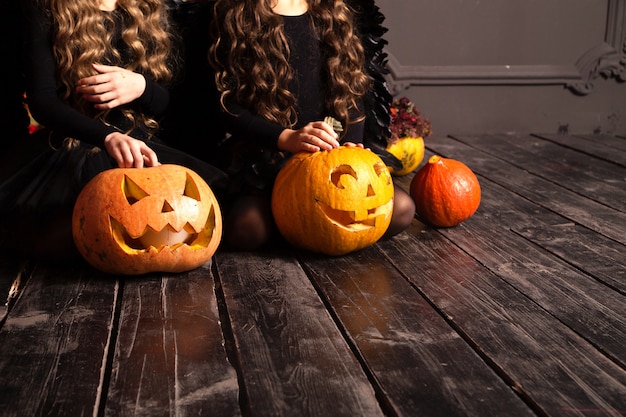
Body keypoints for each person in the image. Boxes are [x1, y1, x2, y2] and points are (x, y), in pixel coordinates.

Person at [0, 0, 226, 262]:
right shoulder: (46, 8)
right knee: (69, 235)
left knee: (200, 214)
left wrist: (143, 87)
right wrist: (106, 136)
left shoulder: (148, 8)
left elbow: (177, 107)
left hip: (139, 145)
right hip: (72, 146)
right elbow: (44, 101)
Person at [208, 0, 415, 251]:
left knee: (402, 209)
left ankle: (314, 228)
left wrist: (351, 145)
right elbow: (226, 108)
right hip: (268, 158)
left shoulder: (332, 11)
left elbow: (351, 92)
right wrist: (287, 138)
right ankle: (300, 226)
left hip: (327, 157)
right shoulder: (238, 14)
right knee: (246, 228)